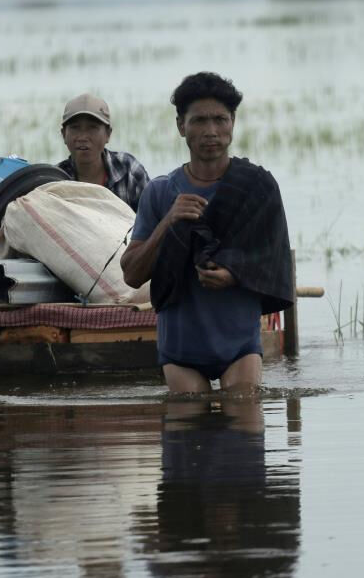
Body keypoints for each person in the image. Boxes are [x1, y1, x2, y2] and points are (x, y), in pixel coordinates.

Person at [120, 72, 293, 394]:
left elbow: (274, 263)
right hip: (181, 348)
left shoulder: (257, 188)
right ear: (181, 126)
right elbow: (131, 274)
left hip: (239, 344)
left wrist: (234, 274)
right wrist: (167, 223)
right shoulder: (160, 193)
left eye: (220, 119)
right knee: (187, 419)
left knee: (243, 414)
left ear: (233, 123)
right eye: (199, 121)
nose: (211, 131)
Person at [57, 93, 149, 212]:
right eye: (75, 127)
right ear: (64, 134)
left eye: (92, 128)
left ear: (108, 134)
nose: (83, 137)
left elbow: (151, 221)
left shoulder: (128, 170)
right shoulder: (56, 180)